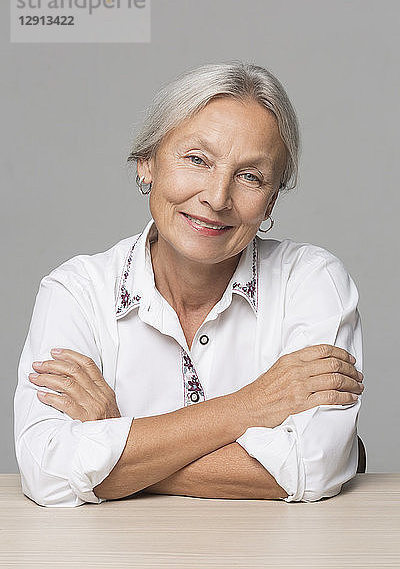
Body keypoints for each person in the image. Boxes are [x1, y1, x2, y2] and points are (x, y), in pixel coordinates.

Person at [13, 61, 364, 508]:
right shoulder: (76, 291)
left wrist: (119, 437)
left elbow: (313, 466)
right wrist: (248, 406)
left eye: (250, 176)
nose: (217, 198)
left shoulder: (313, 281)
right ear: (147, 163)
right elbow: (45, 470)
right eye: (197, 160)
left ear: (271, 199)